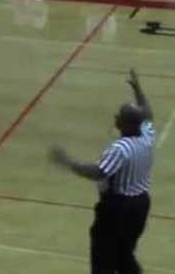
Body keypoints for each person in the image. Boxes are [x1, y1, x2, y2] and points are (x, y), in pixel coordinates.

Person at [50, 69, 155, 274]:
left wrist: (68, 162)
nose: (115, 116)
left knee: (103, 254)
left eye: (119, 115)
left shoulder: (121, 148)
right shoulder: (147, 136)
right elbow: (148, 113)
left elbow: (98, 172)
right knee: (124, 253)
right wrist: (138, 89)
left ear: (125, 124)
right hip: (141, 204)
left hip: (118, 208)